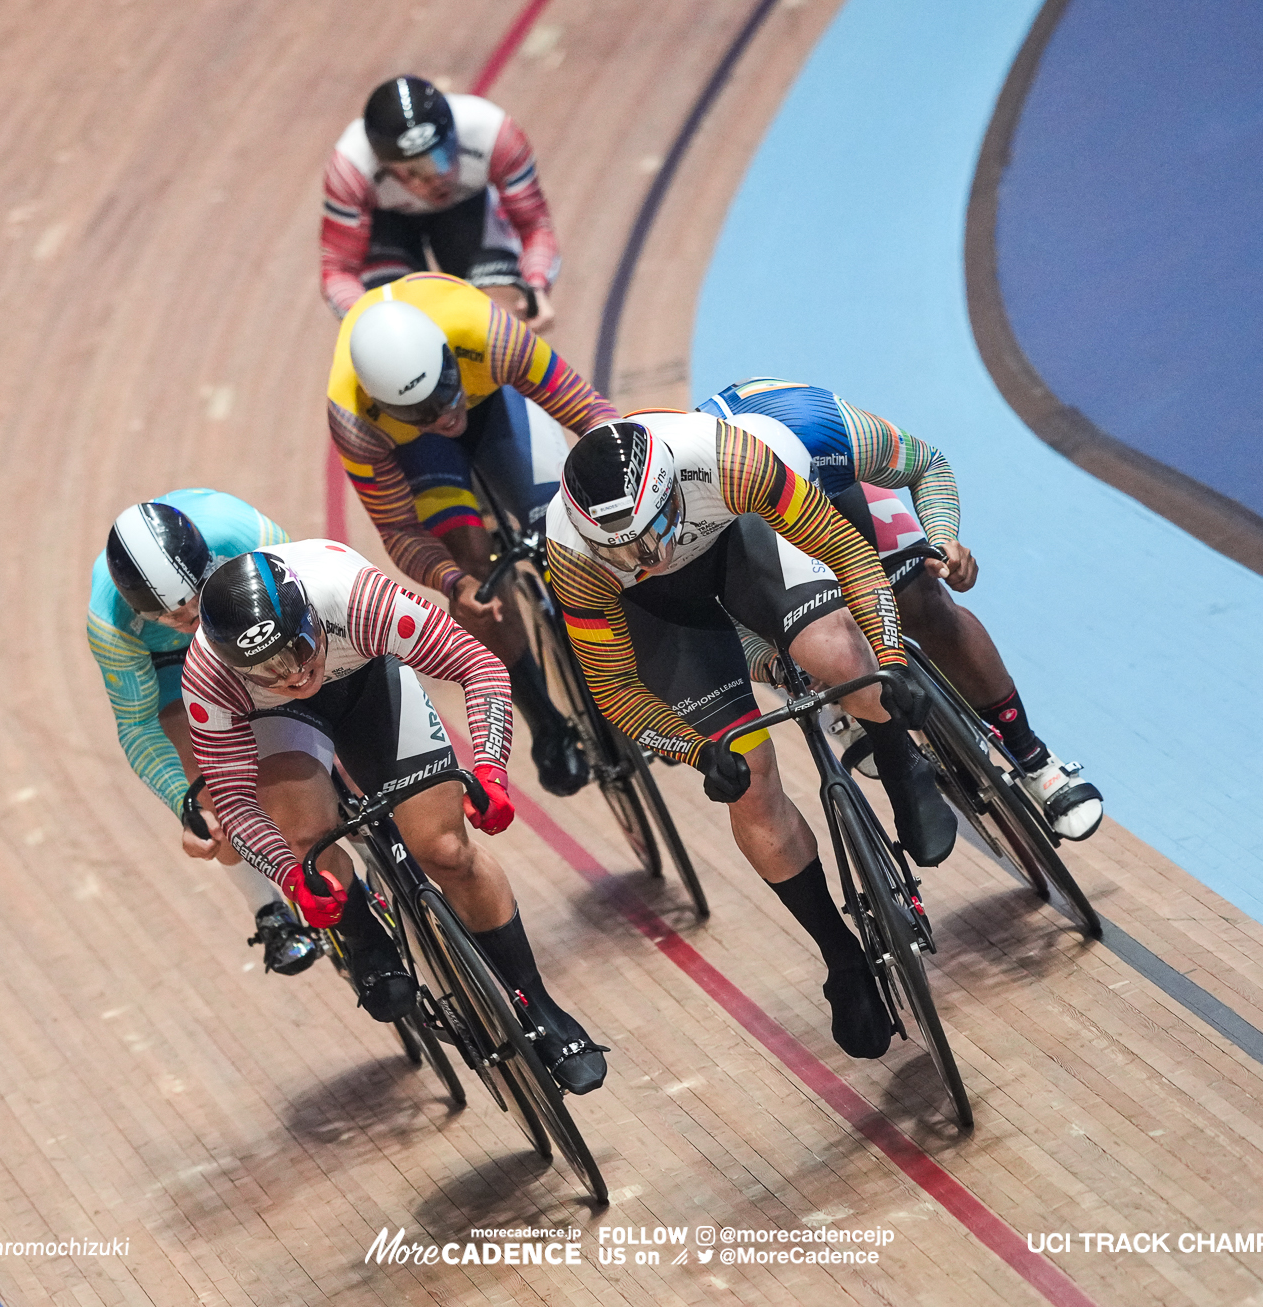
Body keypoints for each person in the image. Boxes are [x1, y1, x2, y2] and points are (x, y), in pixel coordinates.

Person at [543, 413, 959, 1061]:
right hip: (665, 618)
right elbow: (616, 689)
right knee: (749, 777)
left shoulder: (729, 459)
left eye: (651, 535)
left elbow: (846, 552)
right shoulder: (572, 557)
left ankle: (901, 763)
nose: (648, 560)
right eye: (623, 553)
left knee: (838, 655)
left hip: (746, 545)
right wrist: (696, 750)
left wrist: (891, 661)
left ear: (675, 491)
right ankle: (840, 956)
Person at [180, 538, 607, 1094]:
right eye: (264, 671)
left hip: (366, 686)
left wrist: (491, 773)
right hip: (281, 726)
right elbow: (235, 801)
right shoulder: (209, 679)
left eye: (296, 651)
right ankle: (364, 936)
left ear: (312, 615)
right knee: (309, 837)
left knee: (447, 852)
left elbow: (478, 667)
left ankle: (537, 1001)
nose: (288, 676)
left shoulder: (358, 599)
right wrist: (292, 876)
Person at [698, 378, 1102, 840]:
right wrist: (774, 662)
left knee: (925, 599)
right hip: (748, 531)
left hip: (834, 493)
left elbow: (928, 464)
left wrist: (944, 537)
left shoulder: (833, 433)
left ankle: (1032, 756)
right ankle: (840, 698)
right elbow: (712, 621)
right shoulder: (702, 507)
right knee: (795, 632)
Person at [328, 271, 619, 798]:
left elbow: (591, 414)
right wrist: (453, 581)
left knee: (558, 517)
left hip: (493, 400)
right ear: (383, 404)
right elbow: (399, 530)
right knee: (473, 571)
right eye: (420, 412)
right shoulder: (355, 420)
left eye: (441, 395)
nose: (442, 417)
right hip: (416, 452)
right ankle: (543, 715)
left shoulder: (489, 335)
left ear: (448, 359)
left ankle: (612, 652)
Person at [88, 491, 317, 975]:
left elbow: (312, 609)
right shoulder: (111, 623)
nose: (190, 619)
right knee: (213, 791)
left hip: (243, 620)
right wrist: (185, 801)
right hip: (169, 664)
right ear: (137, 608)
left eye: (195, 600)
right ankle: (268, 911)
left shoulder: (243, 534)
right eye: (172, 616)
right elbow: (136, 722)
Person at [322, 75, 558, 331]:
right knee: (398, 326)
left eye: (441, 158)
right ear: (382, 166)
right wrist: (367, 320)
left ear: (456, 137)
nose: (433, 180)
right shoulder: (351, 168)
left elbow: (535, 226)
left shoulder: (494, 135)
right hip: (388, 224)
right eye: (411, 173)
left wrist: (536, 285)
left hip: (466, 210)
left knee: (500, 317)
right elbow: (338, 269)